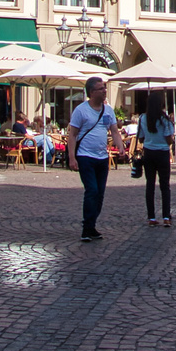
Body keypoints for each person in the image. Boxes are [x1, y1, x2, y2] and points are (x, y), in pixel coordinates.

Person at [66, 76, 116, 241]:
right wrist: (72, 157)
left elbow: (114, 130)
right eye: (101, 88)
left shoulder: (108, 110)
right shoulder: (81, 110)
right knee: (92, 190)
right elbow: (72, 134)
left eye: (104, 88)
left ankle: (92, 225)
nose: (104, 91)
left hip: (102, 157)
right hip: (85, 156)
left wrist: (121, 146)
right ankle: (87, 228)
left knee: (100, 193)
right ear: (92, 92)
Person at [137, 90, 175, 226]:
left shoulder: (142, 118)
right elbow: (169, 140)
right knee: (165, 186)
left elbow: (141, 138)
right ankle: (166, 216)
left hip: (148, 152)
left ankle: (151, 217)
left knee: (150, 185)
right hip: (163, 153)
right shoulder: (165, 119)